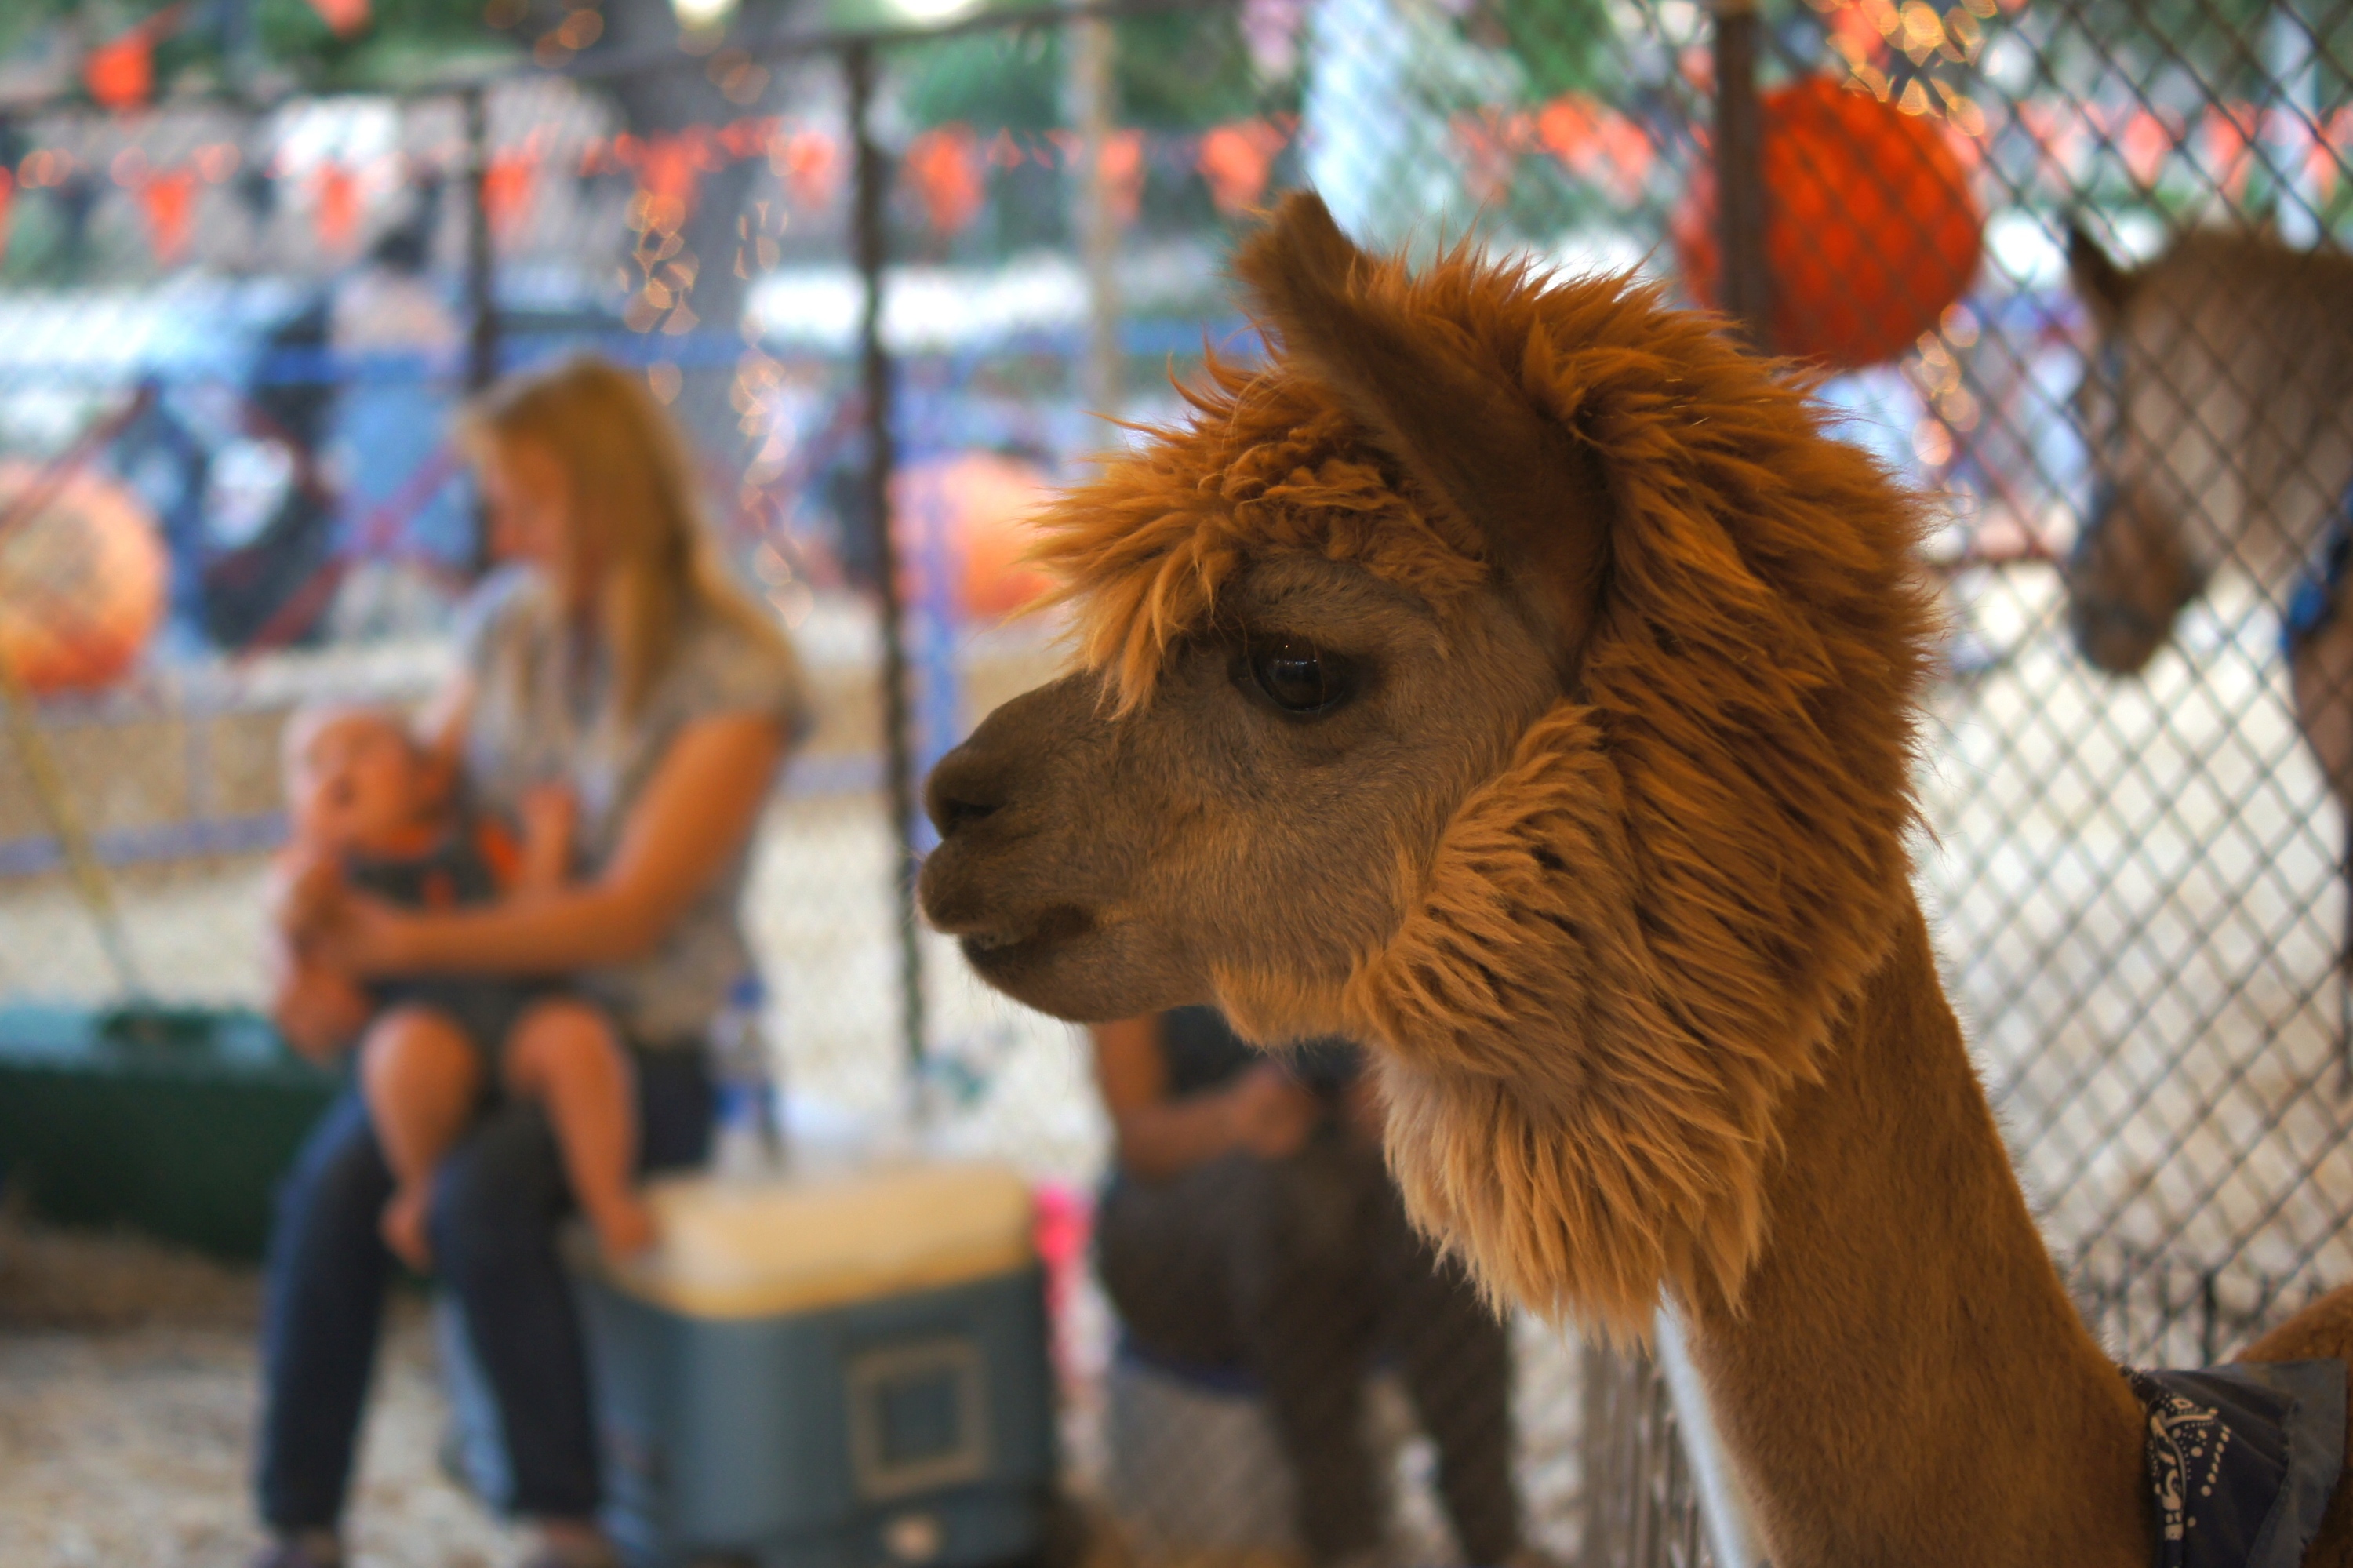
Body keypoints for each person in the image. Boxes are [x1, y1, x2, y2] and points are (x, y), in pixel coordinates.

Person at [254, 355, 809, 1568]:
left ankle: (567, 1526)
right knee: (335, 1188)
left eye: (527, 499)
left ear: (610, 495)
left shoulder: (735, 668)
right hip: (480, 1016)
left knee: (482, 1195)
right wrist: (299, 926)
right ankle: (298, 1527)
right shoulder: (507, 624)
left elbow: (626, 914)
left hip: (636, 1046)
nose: (500, 527)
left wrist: (408, 943)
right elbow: (402, 801)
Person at [1089, 1006, 1532, 1568]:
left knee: (1437, 1223)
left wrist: (1391, 1092)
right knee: (1291, 1216)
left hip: (1339, 1187)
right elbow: (1137, 1140)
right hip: (1188, 1211)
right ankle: (1348, 1537)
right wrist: (1231, 1119)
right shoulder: (1134, 944)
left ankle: (1495, 1537)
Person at [273, 701, 653, 1270]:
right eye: (312, 765)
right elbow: (294, 931)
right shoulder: (329, 874)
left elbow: (534, 910)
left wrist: (550, 838)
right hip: (425, 1023)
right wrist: (299, 890)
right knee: (400, 1050)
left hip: (514, 1007)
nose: (336, 771)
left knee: (577, 1037)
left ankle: (607, 1193)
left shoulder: (480, 839)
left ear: (429, 780)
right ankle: (421, 1185)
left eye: (360, 751)